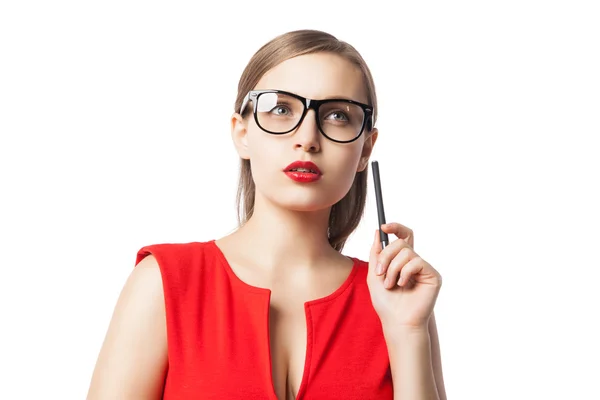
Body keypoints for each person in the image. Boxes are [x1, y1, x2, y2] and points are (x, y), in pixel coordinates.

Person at [87, 29, 446, 400]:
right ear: (242, 133)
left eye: (338, 115)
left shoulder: (397, 300)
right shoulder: (164, 283)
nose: (308, 137)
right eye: (280, 108)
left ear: (366, 148)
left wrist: (407, 331)